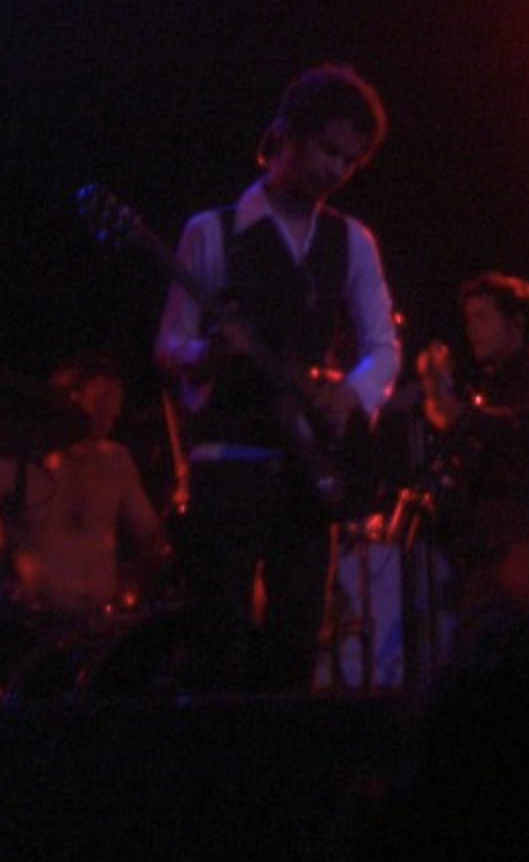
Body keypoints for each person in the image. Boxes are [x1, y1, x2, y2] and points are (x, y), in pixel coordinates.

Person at [155, 63, 399, 693]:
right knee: (219, 644)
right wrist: (208, 354)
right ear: (287, 135)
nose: (335, 170)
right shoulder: (212, 232)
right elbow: (171, 343)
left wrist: (349, 393)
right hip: (228, 461)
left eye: (348, 161)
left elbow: (382, 346)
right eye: (326, 150)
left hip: (307, 471)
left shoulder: (352, 241)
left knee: (295, 646)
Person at [417, 271, 529, 652]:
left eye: (483, 317)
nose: (472, 329)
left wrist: (462, 415)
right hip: (497, 552)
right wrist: (438, 392)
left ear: (516, 323)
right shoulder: (494, 385)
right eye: (468, 320)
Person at [0, 356, 165, 618]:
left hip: (101, 623)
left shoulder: (117, 460)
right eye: (102, 398)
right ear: (68, 398)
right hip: (32, 623)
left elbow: (149, 536)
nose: (111, 410)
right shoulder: (16, 460)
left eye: (115, 403)